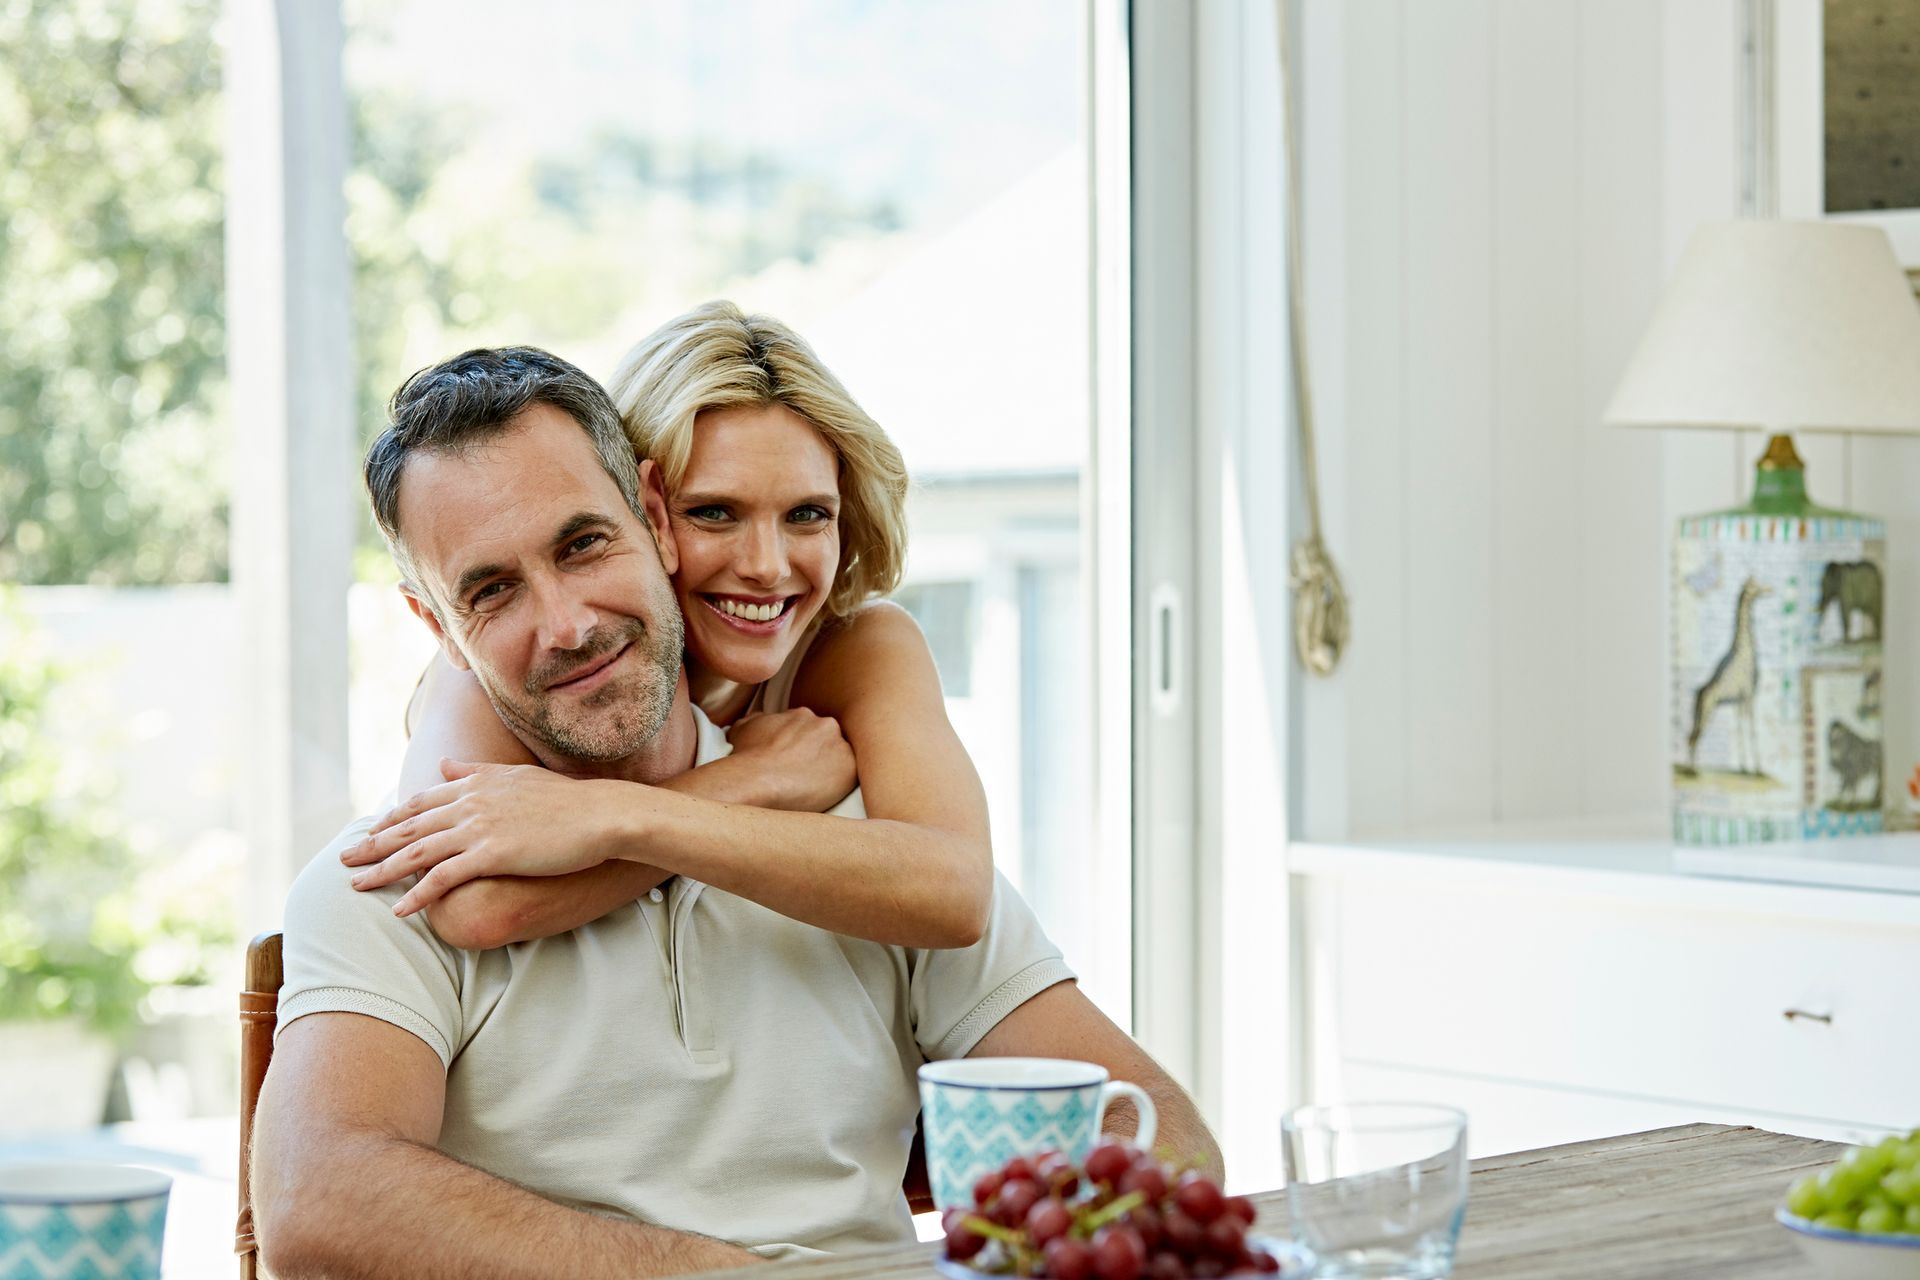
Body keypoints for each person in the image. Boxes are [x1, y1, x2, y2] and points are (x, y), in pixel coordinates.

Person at [250, 347, 1219, 1278]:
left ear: (655, 520)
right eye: (491, 590)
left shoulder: (862, 844)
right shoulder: (400, 867)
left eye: (584, 542)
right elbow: (319, 1195)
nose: (569, 622)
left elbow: (1167, 1136)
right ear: (437, 628)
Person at [339, 302, 993, 952]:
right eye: (713, 513)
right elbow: (473, 906)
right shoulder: (521, 660)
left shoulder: (856, 645)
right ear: (645, 515)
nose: (767, 567)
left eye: (807, 515)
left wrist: (619, 819)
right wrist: (750, 782)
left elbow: (958, 894)